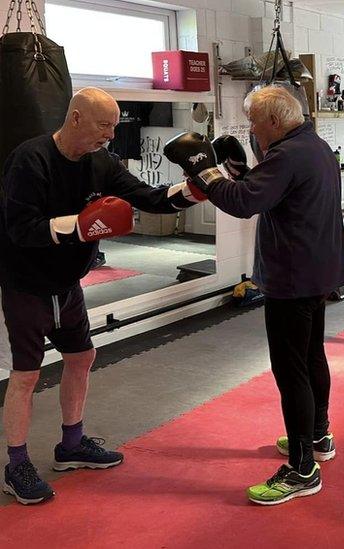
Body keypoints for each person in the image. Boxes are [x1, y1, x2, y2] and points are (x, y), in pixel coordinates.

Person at [0, 87, 206, 505]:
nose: (111, 135)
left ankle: (71, 445)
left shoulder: (101, 162)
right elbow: (20, 228)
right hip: (26, 284)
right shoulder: (30, 159)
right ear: (75, 118)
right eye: (103, 125)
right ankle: (15, 464)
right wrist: (80, 225)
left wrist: (197, 189)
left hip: (68, 282)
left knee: (81, 358)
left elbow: (148, 197)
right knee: (26, 375)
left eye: (114, 125)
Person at [164, 85, 344, 506]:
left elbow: (245, 203)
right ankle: (319, 435)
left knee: (291, 370)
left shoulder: (286, 155)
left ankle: (303, 469)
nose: (251, 129)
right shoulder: (315, 146)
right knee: (310, 356)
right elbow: (268, 191)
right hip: (317, 270)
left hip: (292, 275)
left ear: (272, 121)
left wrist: (206, 171)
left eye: (253, 120)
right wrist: (237, 171)